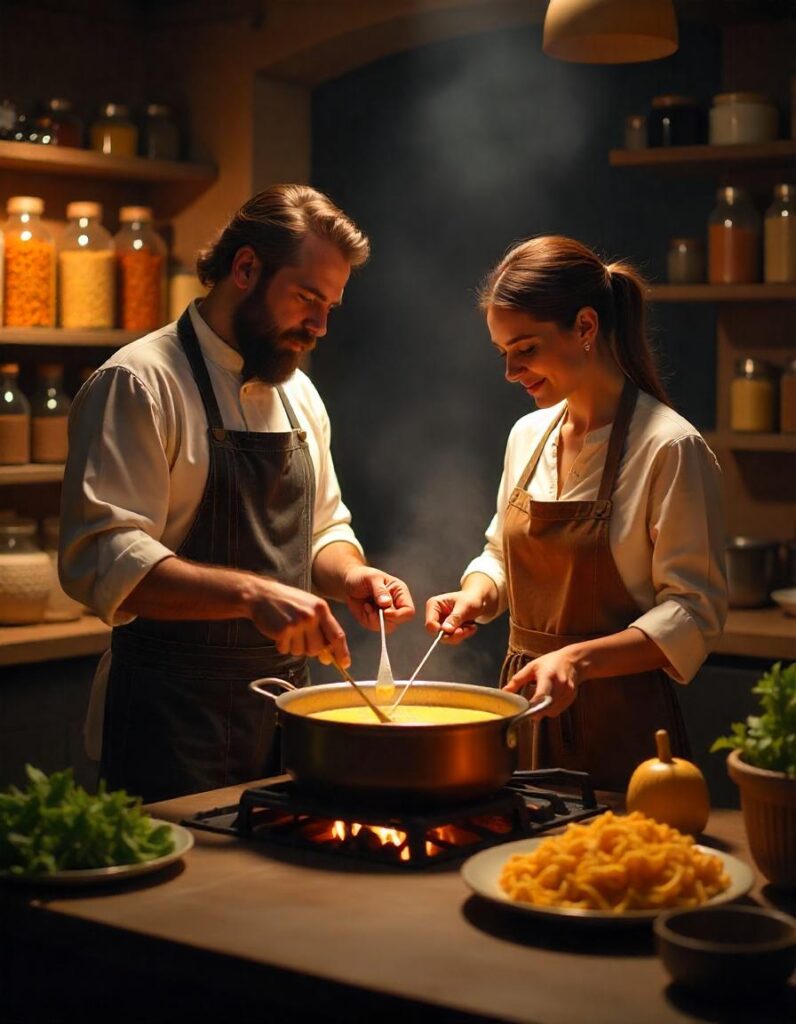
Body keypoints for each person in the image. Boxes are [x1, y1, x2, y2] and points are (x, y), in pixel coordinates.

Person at [60, 184, 415, 802]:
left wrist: (352, 574)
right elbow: (104, 558)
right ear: (246, 268)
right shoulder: (140, 383)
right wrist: (253, 596)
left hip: (285, 715)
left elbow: (323, 529)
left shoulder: (298, 394)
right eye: (308, 298)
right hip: (168, 721)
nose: (320, 326)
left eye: (330, 307)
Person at [426, 236, 727, 791]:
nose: (511, 371)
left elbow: (694, 610)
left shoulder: (668, 448)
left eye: (526, 349)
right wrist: (477, 595)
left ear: (585, 327)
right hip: (523, 710)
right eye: (503, 353)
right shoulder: (528, 435)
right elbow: (500, 553)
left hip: (624, 731)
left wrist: (578, 662)